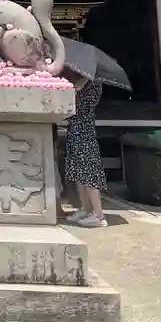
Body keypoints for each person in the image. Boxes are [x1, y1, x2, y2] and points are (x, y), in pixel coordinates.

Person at [64, 76, 106, 229]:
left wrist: (77, 90)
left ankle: (98, 215)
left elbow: (83, 105)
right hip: (75, 132)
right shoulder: (80, 81)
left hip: (85, 134)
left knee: (89, 174)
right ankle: (86, 208)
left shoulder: (93, 83)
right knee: (78, 174)